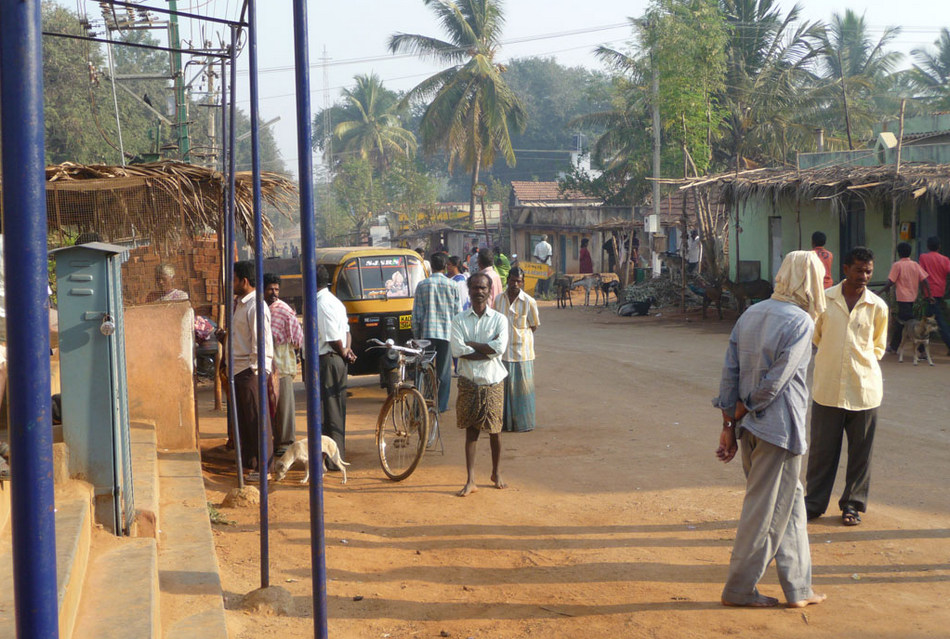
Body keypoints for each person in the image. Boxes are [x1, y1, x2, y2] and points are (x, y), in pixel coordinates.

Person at [713, 250, 828, 609]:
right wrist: (745, 408)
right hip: (779, 429)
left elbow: (729, 371)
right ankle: (739, 589)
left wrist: (730, 423)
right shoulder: (801, 322)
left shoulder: (752, 313)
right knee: (764, 513)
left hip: (749, 429)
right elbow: (777, 380)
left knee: (790, 506)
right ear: (809, 281)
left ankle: (799, 588)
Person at [805, 247, 888, 526]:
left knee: (860, 455)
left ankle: (852, 505)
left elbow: (878, 346)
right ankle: (813, 504)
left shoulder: (878, 306)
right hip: (827, 389)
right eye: (858, 270)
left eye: (868, 271)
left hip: (864, 391)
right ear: (845, 269)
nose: (864, 276)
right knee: (821, 453)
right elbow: (816, 338)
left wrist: (861, 367)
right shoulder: (825, 301)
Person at [451, 272, 509, 497]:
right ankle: (471, 479)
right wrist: (486, 349)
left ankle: (496, 472)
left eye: (483, 287)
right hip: (469, 382)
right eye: (475, 287)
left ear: (489, 291)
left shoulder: (499, 320)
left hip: (493, 381)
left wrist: (471, 346)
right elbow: (457, 351)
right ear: (469, 290)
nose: (479, 291)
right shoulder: (459, 319)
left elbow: (500, 349)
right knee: (471, 433)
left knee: (495, 431)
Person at [228, 260, 273, 478]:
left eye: (234, 279)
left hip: (249, 370)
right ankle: (251, 464)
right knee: (245, 423)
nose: (232, 283)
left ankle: (264, 468)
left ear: (244, 281)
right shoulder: (241, 304)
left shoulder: (256, 306)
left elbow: (260, 341)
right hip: (238, 370)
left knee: (256, 421)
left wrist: (257, 371)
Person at [317, 265, 357, 468]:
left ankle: (333, 459)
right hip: (338, 358)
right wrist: (347, 350)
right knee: (336, 409)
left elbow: (333, 336)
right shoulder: (335, 301)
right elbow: (347, 331)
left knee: (330, 410)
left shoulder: (322, 303)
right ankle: (333, 455)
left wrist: (343, 351)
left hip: (329, 358)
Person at [411, 253, 460, 415]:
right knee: (444, 371)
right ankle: (441, 405)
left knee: (423, 369)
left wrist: (416, 336)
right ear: (445, 266)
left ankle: (422, 402)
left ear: (430, 266)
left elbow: (416, 314)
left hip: (426, 334)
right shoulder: (452, 286)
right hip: (446, 334)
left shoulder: (422, 285)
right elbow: (457, 313)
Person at [494, 267, 540, 433]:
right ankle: (504, 423)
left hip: (523, 352)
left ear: (522, 282)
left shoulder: (529, 301)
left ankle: (523, 423)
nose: (515, 284)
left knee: (523, 389)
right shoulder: (498, 300)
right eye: (512, 280)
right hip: (503, 352)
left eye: (518, 281)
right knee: (503, 389)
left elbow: (533, 325)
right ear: (507, 280)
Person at [263, 273, 303, 458]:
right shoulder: (265, 309)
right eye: (270, 289)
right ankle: (278, 443)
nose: (274, 293)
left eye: (277, 289)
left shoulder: (281, 309)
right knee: (274, 408)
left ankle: (286, 445)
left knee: (284, 408)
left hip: (283, 367)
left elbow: (297, 339)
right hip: (268, 367)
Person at [879, 242, 930, 353]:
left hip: (902, 298)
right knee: (901, 323)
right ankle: (893, 346)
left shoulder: (897, 265)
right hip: (912, 298)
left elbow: (890, 282)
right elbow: (925, 280)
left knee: (910, 323)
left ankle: (922, 350)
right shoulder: (915, 265)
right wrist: (928, 294)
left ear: (898, 253)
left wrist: (879, 292)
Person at [919, 235, 950, 353]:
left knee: (937, 321)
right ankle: (921, 347)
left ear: (928, 246)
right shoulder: (945, 259)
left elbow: (922, 276)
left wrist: (922, 291)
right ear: (939, 247)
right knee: (931, 319)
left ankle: (921, 347)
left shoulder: (923, 257)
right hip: (939, 292)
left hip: (929, 293)